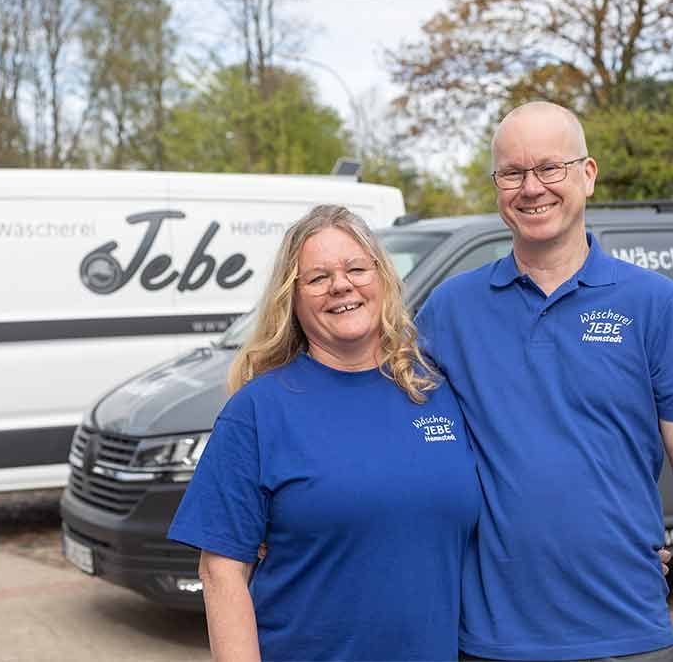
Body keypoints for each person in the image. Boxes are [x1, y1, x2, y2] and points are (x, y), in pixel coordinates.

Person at [415, 102, 673, 662]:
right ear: (496, 186)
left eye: (549, 168)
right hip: (490, 639)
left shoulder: (655, 304)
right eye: (512, 172)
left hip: (627, 630)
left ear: (587, 174)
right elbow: (392, 437)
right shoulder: (450, 310)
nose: (531, 187)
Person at [167, 204, 481, 661]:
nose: (341, 285)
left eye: (356, 269)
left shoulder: (437, 392)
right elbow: (222, 573)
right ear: (291, 299)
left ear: (383, 278)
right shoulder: (258, 411)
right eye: (317, 278)